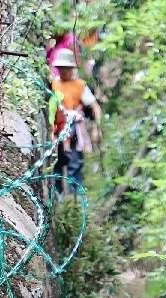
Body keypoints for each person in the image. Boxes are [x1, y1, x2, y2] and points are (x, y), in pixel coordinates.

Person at [49, 49, 101, 194]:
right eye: (61, 69)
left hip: (73, 130)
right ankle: (57, 198)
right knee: (57, 165)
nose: (63, 72)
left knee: (74, 164)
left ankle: (76, 200)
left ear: (71, 68)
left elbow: (94, 106)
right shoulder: (54, 84)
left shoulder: (80, 85)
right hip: (57, 129)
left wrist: (97, 128)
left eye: (66, 69)